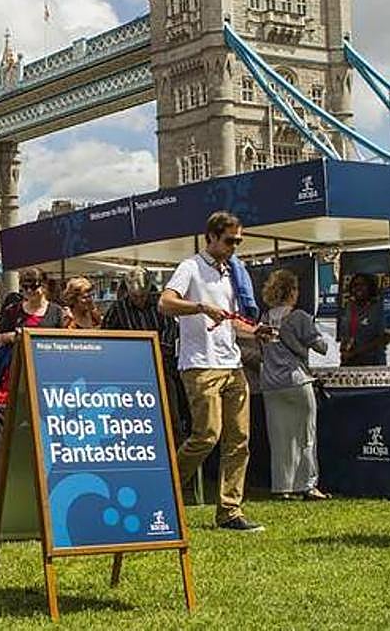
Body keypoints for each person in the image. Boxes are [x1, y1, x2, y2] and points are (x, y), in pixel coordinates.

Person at [159, 211, 273, 533]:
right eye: (229, 240)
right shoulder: (190, 267)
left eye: (238, 240)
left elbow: (230, 320)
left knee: (239, 441)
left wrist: (255, 331)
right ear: (211, 237)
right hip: (200, 364)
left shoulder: (233, 273)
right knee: (206, 435)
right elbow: (165, 304)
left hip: (231, 364)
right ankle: (164, 492)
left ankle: (229, 512)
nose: (235, 246)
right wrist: (199, 307)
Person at [258, 269, 329, 501]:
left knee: (279, 439)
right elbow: (321, 347)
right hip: (296, 379)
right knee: (305, 435)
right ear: (291, 291)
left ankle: (282, 487)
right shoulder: (299, 317)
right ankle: (307, 485)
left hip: (270, 383)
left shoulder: (264, 319)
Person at [103, 267, 185, 439]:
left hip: (161, 367)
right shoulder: (118, 309)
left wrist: (160, 348)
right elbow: (106, 337)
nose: (139, 300)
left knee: (171, 416)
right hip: (131, 372)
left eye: (142, 296)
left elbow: (171, 328)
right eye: (135, 297)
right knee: (138, 418)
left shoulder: (161, 303)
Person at [0, 268, 64, 386]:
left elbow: (62, 342)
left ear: (44, 286)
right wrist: (12, 337)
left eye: (34, 287)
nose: (29, 291)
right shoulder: (12, 311)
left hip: (47, 370)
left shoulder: (56, 311)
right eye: (25, 287)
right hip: (17, 370)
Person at [337, 273, 387, 367]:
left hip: (373, 361)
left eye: (362, 285)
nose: (358, 288)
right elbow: (345, 333)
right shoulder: (349, 307)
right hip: (349, 361)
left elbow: (383, 338)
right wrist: (344, 349)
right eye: (355, 285)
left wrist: (356, 352)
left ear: (370, 287)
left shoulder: (378, 308)